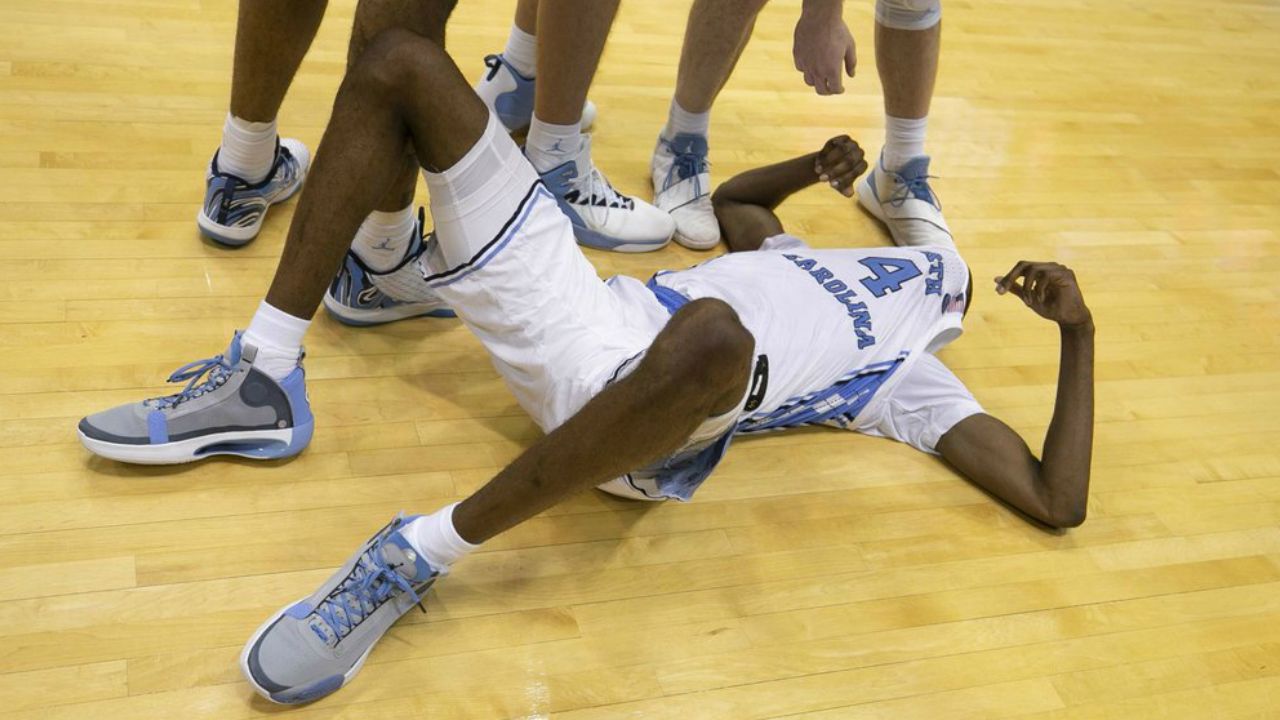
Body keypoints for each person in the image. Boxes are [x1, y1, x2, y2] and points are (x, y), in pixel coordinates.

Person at [104, 30, 1091, 704]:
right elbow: (741, 208)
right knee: (401, 62)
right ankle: (266, 375)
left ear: (947, 303)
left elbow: (1055, 500)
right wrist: (810, 169)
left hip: (651, 428)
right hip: (579, 313)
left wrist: (1075, 334)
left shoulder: (910, 373)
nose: (915, 260)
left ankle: (418, 556)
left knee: (712, 329)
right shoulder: (803, 260)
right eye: (916, 251)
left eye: (932, 268)